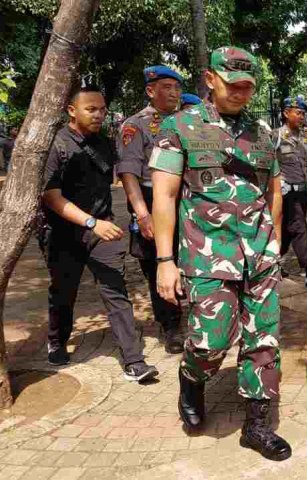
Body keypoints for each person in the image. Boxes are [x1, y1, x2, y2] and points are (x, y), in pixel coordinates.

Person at [150, 47, 291, 461]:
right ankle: (192, 377)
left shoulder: (264, 134)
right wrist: (164, 262)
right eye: (233, 85)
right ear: (210, 79)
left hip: (260, 256)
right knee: (210, 342)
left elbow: (274, 192)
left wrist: (275, 242)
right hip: (207, 257)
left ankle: (257, 426)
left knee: (263, 340)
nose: (241, 93)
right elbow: (165, 195)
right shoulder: (179, 127)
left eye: (248, 87)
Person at [42, 85, 158, 383]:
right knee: (63, 292)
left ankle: (134, 360)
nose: (98, 115)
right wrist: (92, 223)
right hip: (64, 233)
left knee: (115, 290)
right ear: (72, 110)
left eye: (102, 109)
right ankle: (56, 340)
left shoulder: (106, 143)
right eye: (90, 109)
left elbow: (129, 173)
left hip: (101, 232)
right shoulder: (57, 145)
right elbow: (52, 197)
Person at [116, 66, 184, 354]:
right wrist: (142, 214)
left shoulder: (186, 121)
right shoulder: (136, 126)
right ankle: (171, 327)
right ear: (150, 91)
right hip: (150, 196)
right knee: (159, 263)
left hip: (185, 197)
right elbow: (129, 173)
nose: (174, 92)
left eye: (177, 87)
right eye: (166, 87)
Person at [275, 95, 307, 291]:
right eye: (298, 113)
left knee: (290, 230)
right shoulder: (276, 136)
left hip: (302, 192)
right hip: (284, 193)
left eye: (304, 113)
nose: (302, 116)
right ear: (286, 113)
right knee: (300, 228)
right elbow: (267, 164)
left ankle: (274, 262)